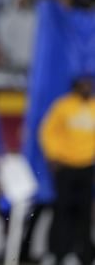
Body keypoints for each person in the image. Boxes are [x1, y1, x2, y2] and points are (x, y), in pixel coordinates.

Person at [39, 74, 95, 265]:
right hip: (66, 166)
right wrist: (54, 156)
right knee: (62, 211)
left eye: (90, 84)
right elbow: (48, 131)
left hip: (87, 167)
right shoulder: (63, 106)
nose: (87, 88)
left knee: (85, 213)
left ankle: (83, 256)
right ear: (76, 86)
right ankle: (58, 254)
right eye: (83, 85)